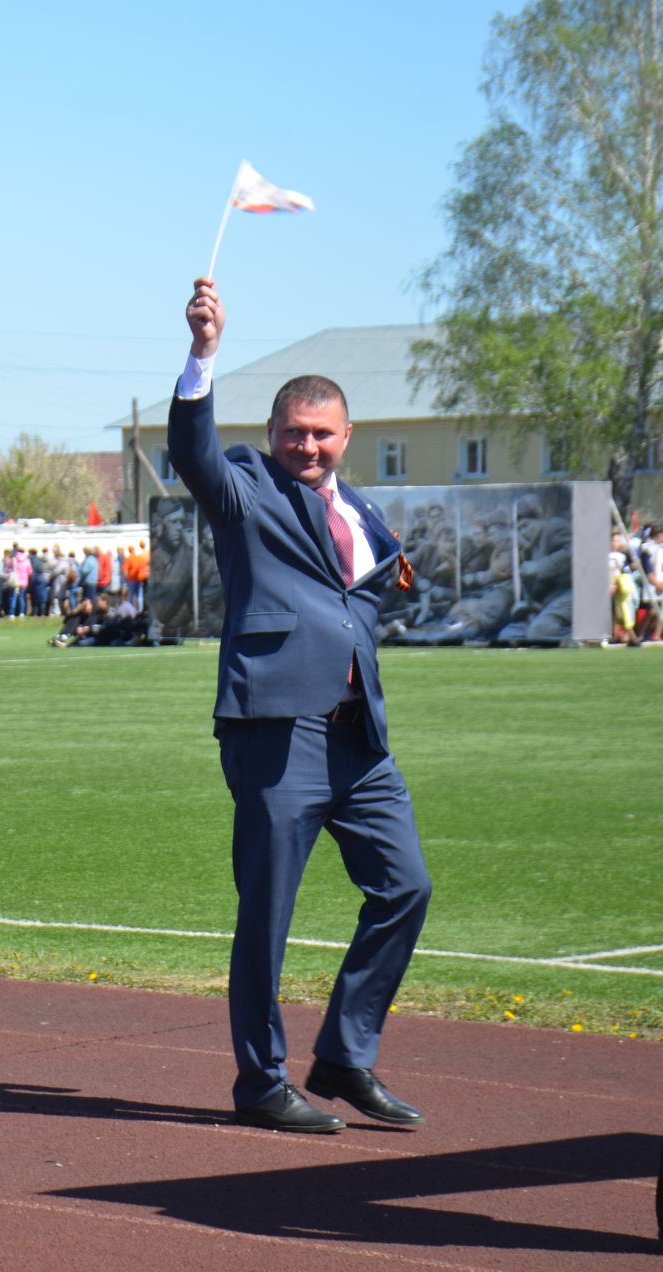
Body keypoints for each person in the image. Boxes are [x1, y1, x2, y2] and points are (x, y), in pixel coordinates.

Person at [169, 278, 431, 1133]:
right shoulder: (246, 487)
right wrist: (203, 356)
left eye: (321, 435)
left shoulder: (360, 505)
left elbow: (363, 579)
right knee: (267, 917)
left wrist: (392, 577)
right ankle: (261, 1082)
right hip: (278, 731)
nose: (307, 448)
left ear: (347, 437)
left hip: (359, 737)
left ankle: (347, 1058)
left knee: (405, 887)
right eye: (293, 434)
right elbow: (194, 456)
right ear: (270, 436)